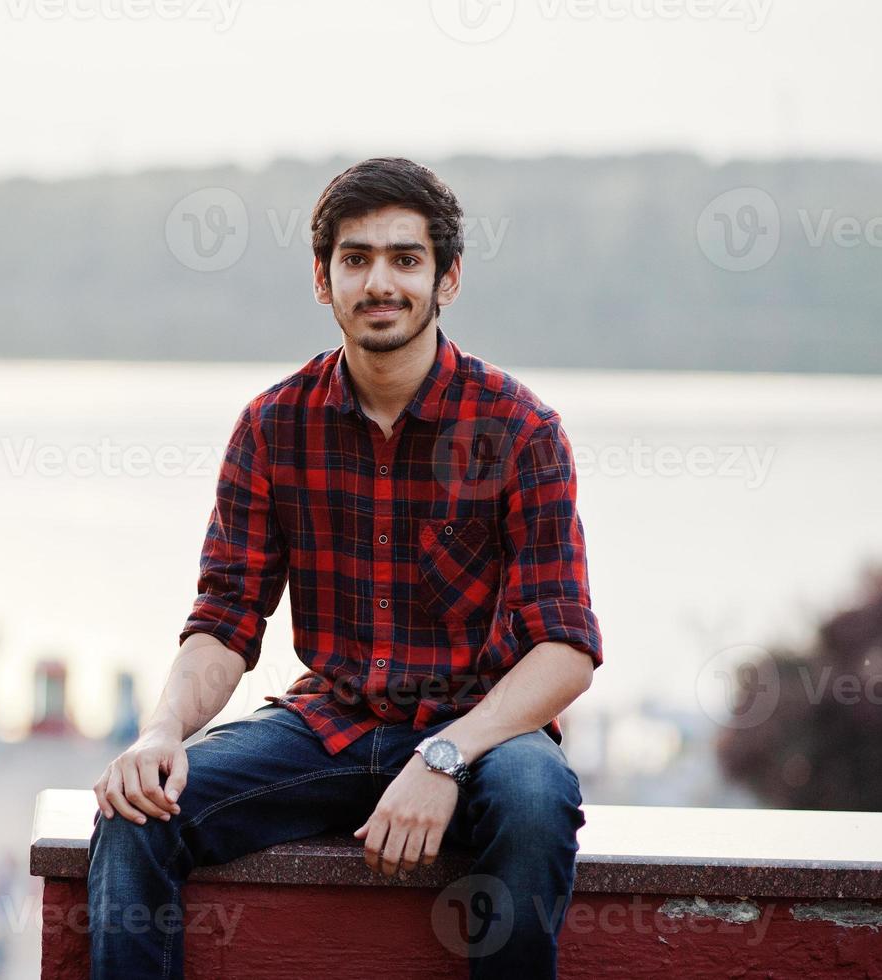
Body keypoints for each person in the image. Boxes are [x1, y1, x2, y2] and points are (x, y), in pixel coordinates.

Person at [88, 158, 603, 979]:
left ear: (447, 279)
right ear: (322, 280)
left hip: (482, 732)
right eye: (355, 258)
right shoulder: (272, 426)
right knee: (137, 811)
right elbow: (224, 622)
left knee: (536, 802)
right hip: (329, 725)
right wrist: (159, 733)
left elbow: (564, 650)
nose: (380, 282)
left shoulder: (519, 429)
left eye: (405, 259)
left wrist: (443, 757)